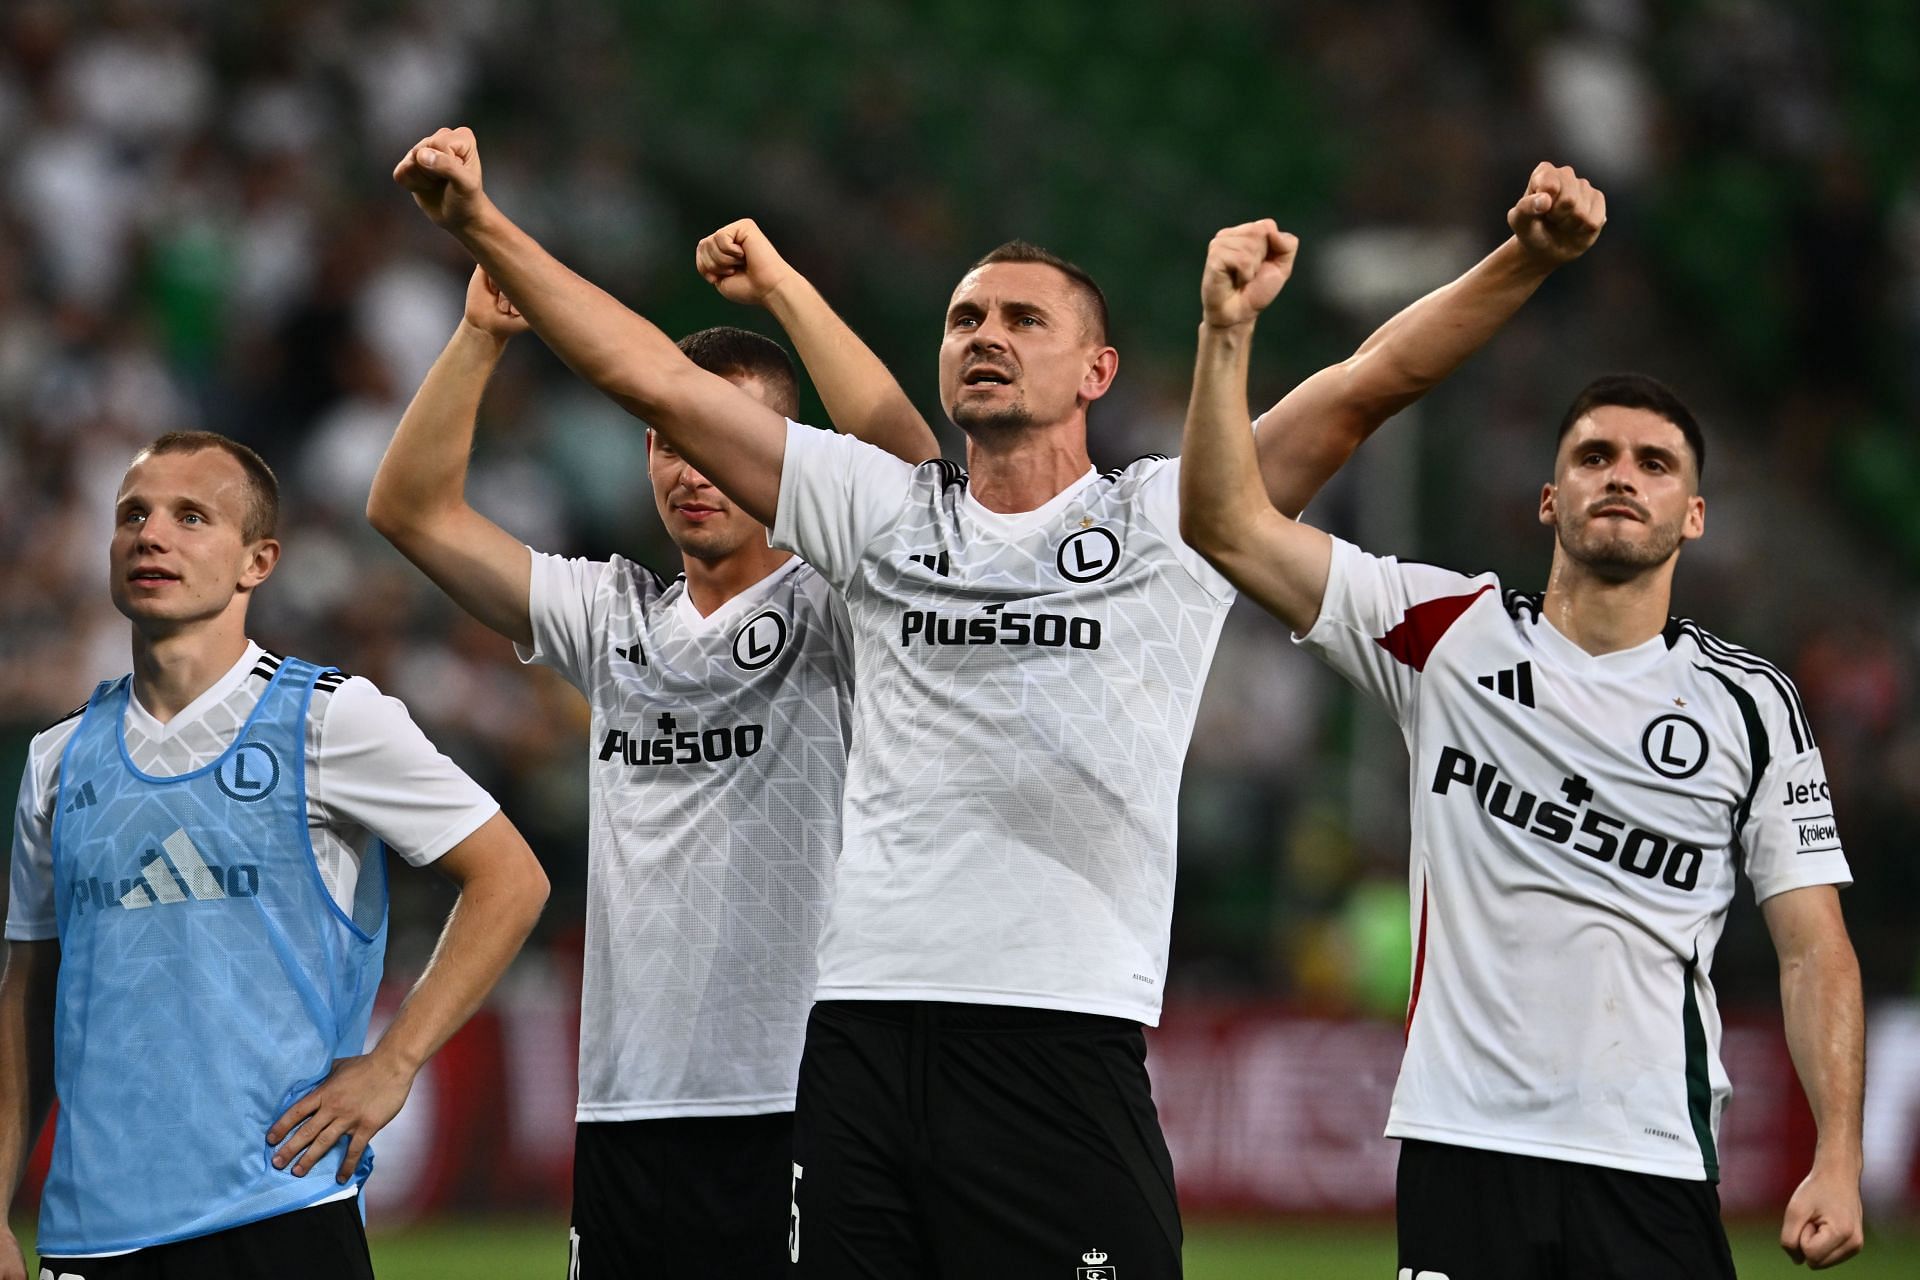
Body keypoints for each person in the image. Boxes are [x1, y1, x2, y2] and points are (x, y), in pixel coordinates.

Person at [393, 127, 1600, 1276]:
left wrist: (1527, 260)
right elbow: (650, 373)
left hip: (1059, 1030)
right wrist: (486, 225)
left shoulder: (1171, 520)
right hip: (862, 1030)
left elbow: (1363, 386)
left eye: (1025, 319)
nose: (987, 334)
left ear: (1098, 369)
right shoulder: (881, 514)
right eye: (967, 316)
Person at [1176, 217, 1865, 1277]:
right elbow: (1224, 521)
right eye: (1593, 455)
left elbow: (1814, 942)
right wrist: (1226, 334)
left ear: (1693, 514)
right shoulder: (1446, 631)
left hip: (1650, 1155)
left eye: (1652, 462)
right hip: (1464, 1148)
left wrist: (1839, 1152)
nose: (1620, 475)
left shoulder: (1750, 702)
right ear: (1551, 498)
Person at [365, 267, 937, 1278]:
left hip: (801, 1094)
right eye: (675, 440)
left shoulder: (844, 604)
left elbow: (922, 486)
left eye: (725, 441)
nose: (695, 468)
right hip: (628, 1099)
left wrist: (790, 295)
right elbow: (410, 508)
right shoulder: (613, 614)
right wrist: (478, 338)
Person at [1, 432, 549, 1280]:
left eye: (192, 517)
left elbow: (511, 876)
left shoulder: (331, 721)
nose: (152, 536)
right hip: (91, 1232)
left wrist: (394, 1063)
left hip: (280, 1210)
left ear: (258, 561)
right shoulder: (58, 759)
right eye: (133, 516)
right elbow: (29, 991)